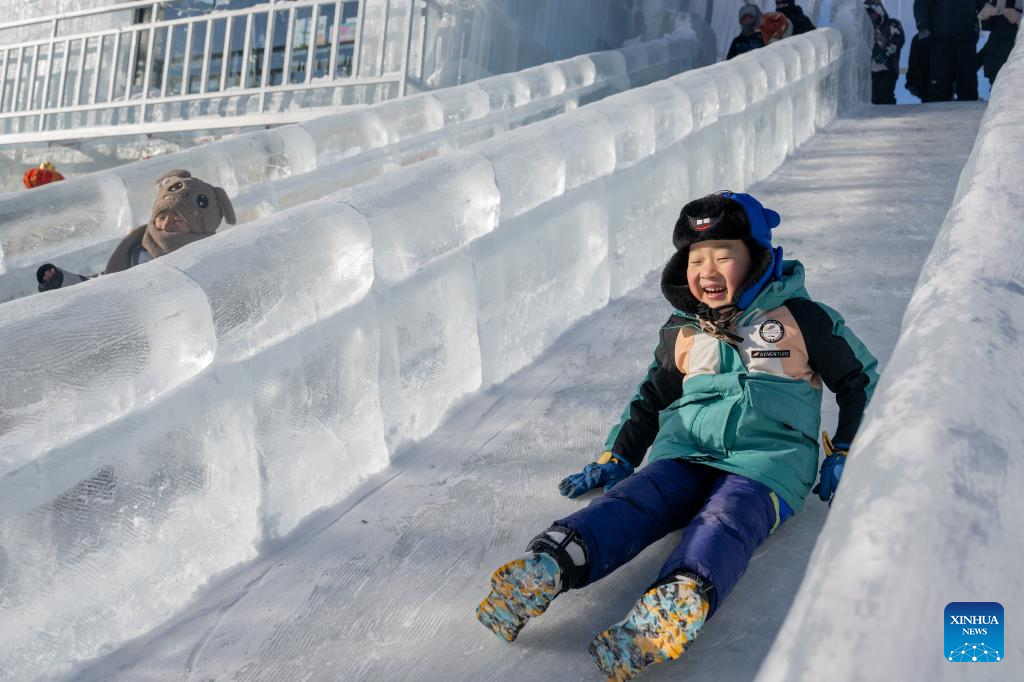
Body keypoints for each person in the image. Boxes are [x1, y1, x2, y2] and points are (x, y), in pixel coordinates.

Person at [475, 191, 878, 680]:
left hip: (768, 465)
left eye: (723, 256)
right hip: (685, 452)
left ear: (757, 258)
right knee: (635, 500)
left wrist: (849, 447)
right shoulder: (683, 329)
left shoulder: (800, 319)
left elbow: (860, 380)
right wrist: (618, 455)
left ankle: (674, 603)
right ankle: (552, 563)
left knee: (726, 520)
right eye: (695, 259)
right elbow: (652, 396)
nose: (707, 271)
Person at [36, 169, 236, 292]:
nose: (166, 225)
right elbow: (101, 285)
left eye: (177, 220)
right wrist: (62, 281)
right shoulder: (136, 251)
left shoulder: (205, 262)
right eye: (161, 217)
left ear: (199, 228)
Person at [913, 0, 984, 101]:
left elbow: (983, 5)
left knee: (968, 85)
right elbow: (921, 4)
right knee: (939, 85)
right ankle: (937, 109)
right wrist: (923, 27)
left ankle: (969, 109)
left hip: (966, 39)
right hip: (940, 39)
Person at [865, 0, 906, 104]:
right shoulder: (865, 30)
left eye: (872, 13)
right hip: (870, 71)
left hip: (888, 68)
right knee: (872, 98)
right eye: (867, 14)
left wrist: (886, 53)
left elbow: (898, 40)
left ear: (879, 11)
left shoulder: (892, 24)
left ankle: (889, 113)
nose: (870, 16)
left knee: (885, 95)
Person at [978, 0, 1021, 86]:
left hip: (1017, 67)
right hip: (995, 64)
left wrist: (1019, 19)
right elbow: (988, 25)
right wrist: (983, 16)